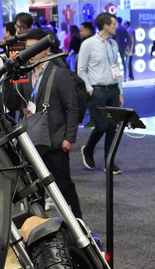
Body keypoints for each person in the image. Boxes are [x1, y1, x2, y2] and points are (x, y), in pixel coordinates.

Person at [19, 29, 83, 218]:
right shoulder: (25, 73)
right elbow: (16, 103)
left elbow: (72, 107)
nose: (29, 52)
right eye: (27, 48)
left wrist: (69, 137)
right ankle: (38, 224)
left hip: (56, 139)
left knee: (63, 185)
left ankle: (77, 222)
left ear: (46, 48)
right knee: (34, 186)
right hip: (32, 138)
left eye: (34, 48)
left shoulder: (60, 73)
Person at [77, 12, 124, 174]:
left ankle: (109, 163)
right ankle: (88, 149)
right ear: (105, 26)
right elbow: (81, 70)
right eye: (113, 24)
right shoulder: (88, 44)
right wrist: (90, 89)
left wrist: (120, 91)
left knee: (113, 127)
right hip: (96, 91)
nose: (116, 26)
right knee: (102, 125)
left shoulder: (113, 44)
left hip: (113, 90)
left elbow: (117, 68)